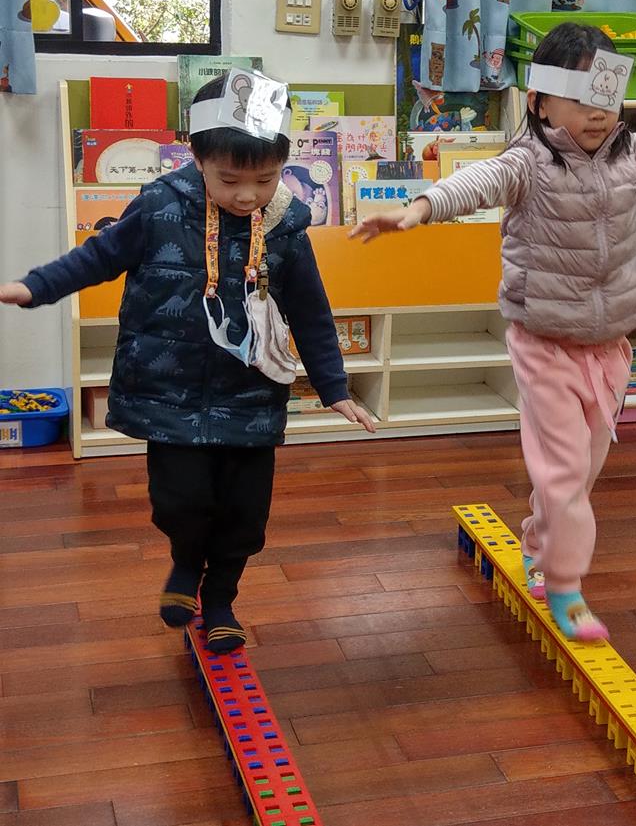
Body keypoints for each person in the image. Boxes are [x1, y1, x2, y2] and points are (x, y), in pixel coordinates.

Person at [351, 21, 636, 642]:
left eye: (607, 96)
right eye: (578, 97)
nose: (597, 112)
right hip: (544, 343)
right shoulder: (529, 164)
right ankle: (567, 586)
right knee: (566, 472)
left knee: (578, 472)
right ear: (540, 102)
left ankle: (538, 542)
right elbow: (477, 182)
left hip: (611, 348)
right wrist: (420, 208)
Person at [0, 71, 375, 653]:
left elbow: (311, 310)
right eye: (230, 179)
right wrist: (35, 287)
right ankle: (184, 563)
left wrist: (334, 387)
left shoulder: (285, 225)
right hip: (167, 390)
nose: (247, 195)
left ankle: (220, 599)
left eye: (265, 179)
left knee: (245, 514)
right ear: (198, 158)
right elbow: (98, 256)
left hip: (251, 394)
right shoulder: (158, 206)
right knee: (180, 501)